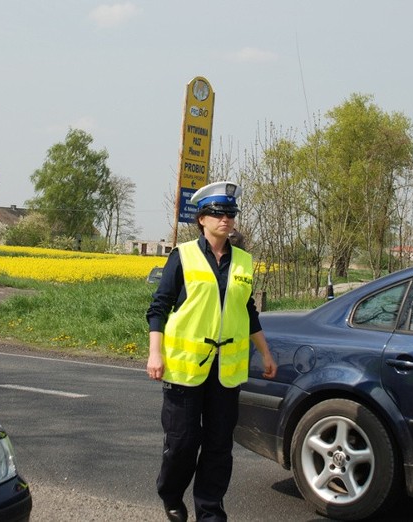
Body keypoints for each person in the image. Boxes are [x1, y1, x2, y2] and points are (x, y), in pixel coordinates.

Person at [146, 181, 277, 522]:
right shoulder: (183, 256)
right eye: (219, 213)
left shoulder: (243, 262)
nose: (226, 219)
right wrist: (154, 353)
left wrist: (265, 353)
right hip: (185, 368)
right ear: (202, 219)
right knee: (184, 443)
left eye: (231, 213)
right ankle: (172, 494)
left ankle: (210, 508)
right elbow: (158, 308)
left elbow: (247, 312)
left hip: (226, 370)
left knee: (219, 446)